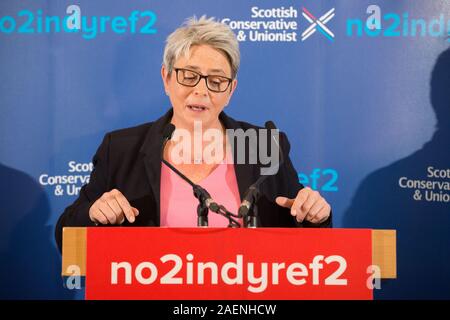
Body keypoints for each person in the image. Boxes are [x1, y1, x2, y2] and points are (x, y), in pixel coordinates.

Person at [55, 16, 332, 252]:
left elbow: (309, 243)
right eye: (189, 75)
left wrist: (314, 216)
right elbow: (66, 237)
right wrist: (94, 215)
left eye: (216, 81)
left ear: (230, 90)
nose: (201, 90)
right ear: (166, 78)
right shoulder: (121, 149)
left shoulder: (262, 146)